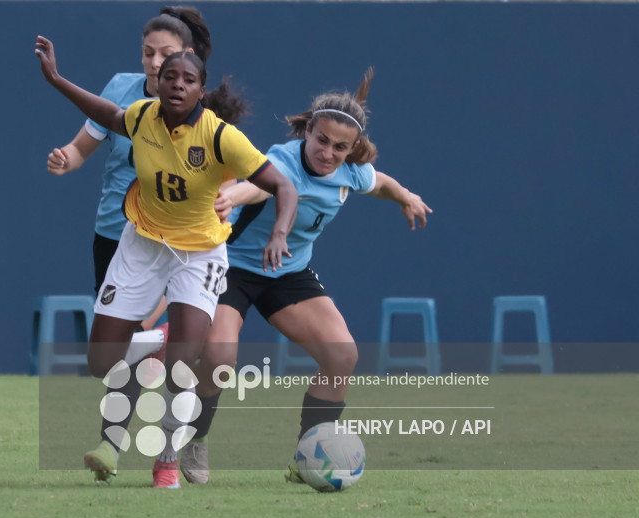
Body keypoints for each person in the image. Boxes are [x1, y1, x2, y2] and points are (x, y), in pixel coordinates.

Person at [35, 37, 298, 488]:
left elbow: (284, 186)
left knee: (184, 362)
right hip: (142, 244)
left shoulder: (220, 136)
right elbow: (108, 115)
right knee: (101, 361)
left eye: (187, 79)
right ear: (156, 84)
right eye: (168, 76)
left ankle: (167, 459)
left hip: (198, 254)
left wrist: (279, 233)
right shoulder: (142, 117)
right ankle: (150, 342)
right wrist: (57, 79)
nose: (176, 84)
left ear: (201, 90)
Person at [178, 68, 433, 484]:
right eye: (322, 141)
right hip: (231, 267)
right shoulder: (281, 160)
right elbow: (257, 188)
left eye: (340, 147)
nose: (328, 152)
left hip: (286, 273)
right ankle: (194, 439)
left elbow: (379, 182)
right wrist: (229, 196)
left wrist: (405, 196)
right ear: (308, 130)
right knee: (221, 357)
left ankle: (306, 458)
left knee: (342, 355)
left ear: (352, 150)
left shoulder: (351, 172)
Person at [41, 6, 216, 485]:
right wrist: (66, 159)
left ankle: (143, 454)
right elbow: (82, 147)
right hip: (115, 237)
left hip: (175, 247)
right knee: (116, 359)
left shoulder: (201, 114)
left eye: (166, 54)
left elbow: (230, 191)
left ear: (187, 59)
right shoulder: (120, 90)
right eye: (147, 53)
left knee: (156, 355)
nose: (155, 62)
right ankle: (120, 441)